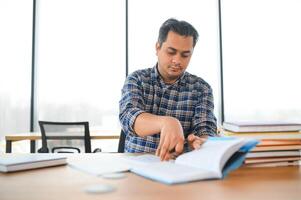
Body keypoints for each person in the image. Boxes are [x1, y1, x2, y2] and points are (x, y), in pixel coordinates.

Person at [119, 18, 217, 160]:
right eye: (171, 52)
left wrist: (202, 142)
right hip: (136, 167)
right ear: (157, 48)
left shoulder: (202, 89)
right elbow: (129, 117)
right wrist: (167, 122)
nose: (177, 60)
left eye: (185, 55)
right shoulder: (137, 79)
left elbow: (206, 130)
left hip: (179, 168)